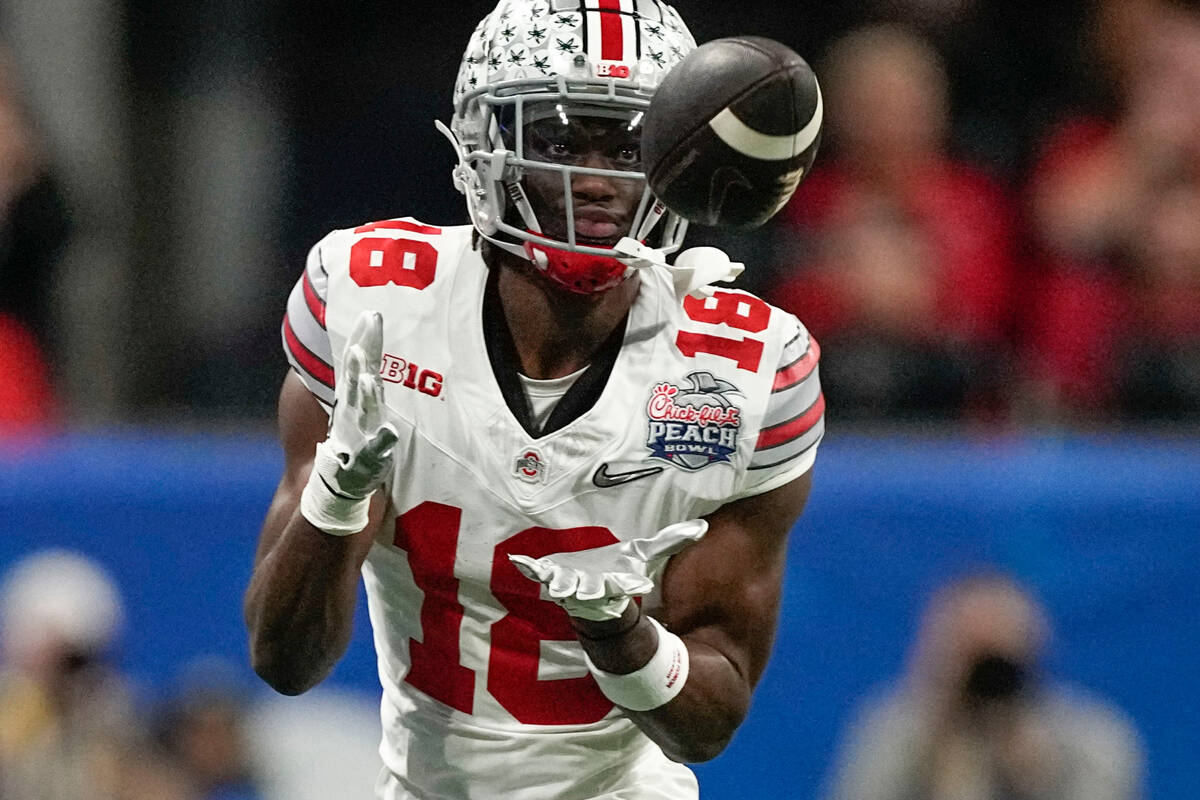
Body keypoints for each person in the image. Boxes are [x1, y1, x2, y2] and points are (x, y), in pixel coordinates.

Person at [243, 2, 825, 798]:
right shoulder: (375, 310)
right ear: (485, 145)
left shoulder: (742, 371)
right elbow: (284, 662)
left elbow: (711, 722)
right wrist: (336, 496)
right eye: (557, 140)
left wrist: (620, 634)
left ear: (675, 156)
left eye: (627, 144)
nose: (595, 178)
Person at [767, 25, 1017, 423]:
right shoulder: (803, 201)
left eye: (903, 104)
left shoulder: (974, 199)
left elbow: (994, 310)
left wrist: (920, 296)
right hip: (830, 404)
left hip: (957, 415)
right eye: (871, 106)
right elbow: (782, 311)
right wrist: (848, 295)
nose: (887, 122)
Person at [823, 573, 1143, 800]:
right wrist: (936, 749)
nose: (985, 676)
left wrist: (1039, 778)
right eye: (970, 653)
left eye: (996, 657)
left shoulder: (1092, 737)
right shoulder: (893, 731)